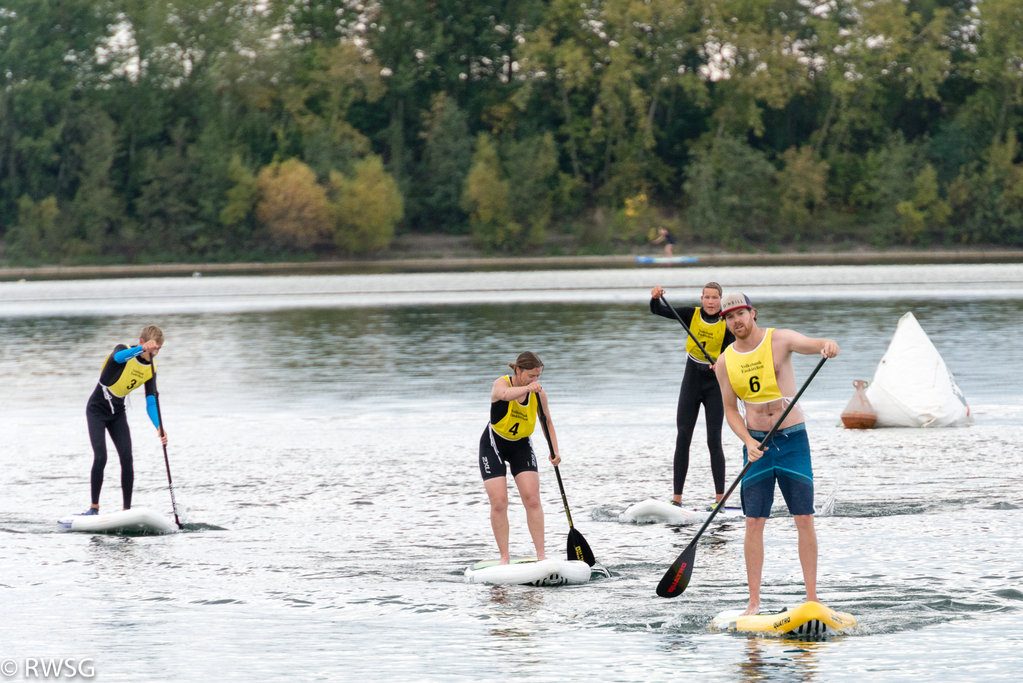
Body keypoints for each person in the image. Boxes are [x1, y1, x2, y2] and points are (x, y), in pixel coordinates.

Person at [713, 292, 839, 615]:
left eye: (740, 314)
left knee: (804, 518)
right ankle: (754, 603)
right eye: (729, 318)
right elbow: (730, 410)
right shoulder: (725, 362)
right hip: (756, 446)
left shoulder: (779, 340)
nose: (735, 321)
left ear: (753, 314)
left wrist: (828, 345)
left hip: (793, 441)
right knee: (753, 522)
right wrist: (747, 440)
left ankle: (812, 598)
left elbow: (815, 343)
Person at [650, 283, 734, 508]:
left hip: (715, 383)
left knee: (713, 440)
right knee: (683, 437)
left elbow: (736, 352)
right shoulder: (691, 314)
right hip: (692, 380)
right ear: (702, 298)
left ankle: (720, 500)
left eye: (715, 298)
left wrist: (723, 364)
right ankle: (676, 500)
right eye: (707, 297)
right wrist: (655, 298)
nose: (710, 302)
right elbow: (658, 310)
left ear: (720, 301)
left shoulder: (728, 323)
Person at [479, 352, 562, 565]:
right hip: (494, 445)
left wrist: (555, 450)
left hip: (521, 446)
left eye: (538, 376)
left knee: (532, 499)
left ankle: (541, 556)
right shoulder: (501, 384)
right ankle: (504, 559)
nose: (535, 381)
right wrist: (526, 388)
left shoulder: (538, 394)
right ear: (518, 371)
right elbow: (506, 395)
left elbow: (547, 423)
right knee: (499, 502)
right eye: (531, 376)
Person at [79, 326, 168, 515]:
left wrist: (159, 426)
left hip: (117, 412)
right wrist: (141, 350)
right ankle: (94, 508)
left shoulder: (151, 368)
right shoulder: (123, 350)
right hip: (96, 409)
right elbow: (118, 358)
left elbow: (151, 401)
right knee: (101, 456)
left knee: (127, 458)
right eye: (152, 348)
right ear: (142, 342)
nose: (155, 353)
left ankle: (126, 511)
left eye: (158, 349)